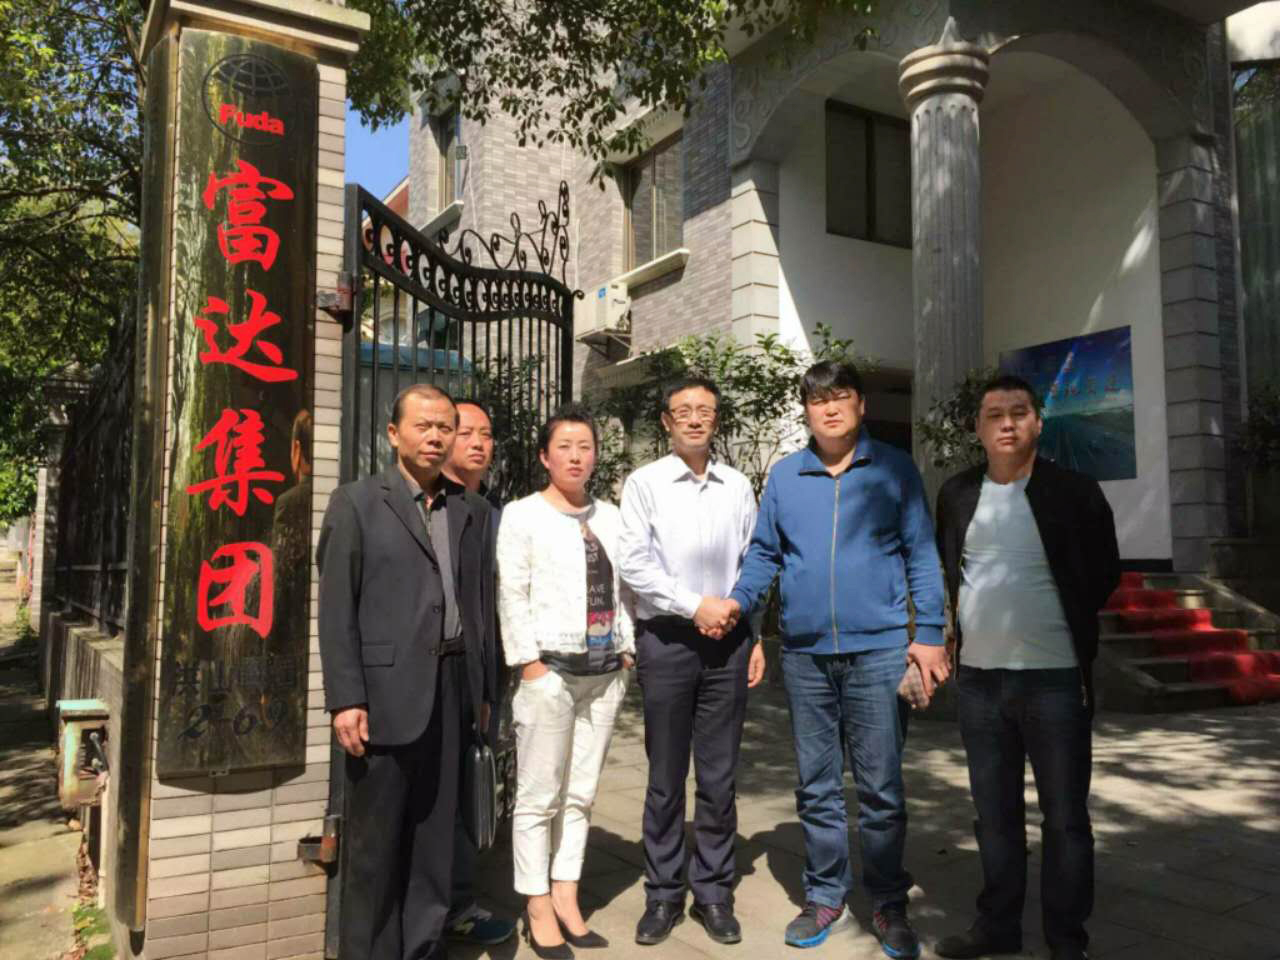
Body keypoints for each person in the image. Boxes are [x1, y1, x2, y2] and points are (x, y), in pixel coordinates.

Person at [727, 360, 948, 958]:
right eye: (818, 399)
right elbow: (764, 555)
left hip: (879, 652)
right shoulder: (786, 477)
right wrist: (741, 605)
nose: (829, 408)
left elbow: (921, 554)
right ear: (806, 410)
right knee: (817, 786)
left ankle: (887, 900)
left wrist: (930, 632)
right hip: (805, 657)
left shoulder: (894, 469)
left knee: (881, 788)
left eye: (841, 396)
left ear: (860, 406)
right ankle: (824, 894)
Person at [933, 375, 1120, 960]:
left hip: (1055, 680)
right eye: (994, 414)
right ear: (978, 428)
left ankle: (1066, 940)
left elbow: (1103, 573)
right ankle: (998, 926)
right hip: (980, 683)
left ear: (1039, 422)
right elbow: (950, 568)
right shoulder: (957, 493)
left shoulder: (1075, 492)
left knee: (1065, 820)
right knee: (994, 817)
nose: (1007, 423)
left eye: (1019, 412)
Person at [317, 384, 496, 960]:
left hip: (453, 689)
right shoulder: (357, 503)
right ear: (394, 434)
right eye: (424, 426)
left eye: (446, 426)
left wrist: (482, 689)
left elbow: (480, 607)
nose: (436, 437)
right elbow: (336, 607)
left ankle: (422, 948)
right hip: (382, 696)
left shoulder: (471, 510)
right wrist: (346, 697)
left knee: (434, 839)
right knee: (375, 847)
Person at [618, 376, 766, 947]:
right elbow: (634, 564)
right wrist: (693, 605)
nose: (696, 418)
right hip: (668, 642)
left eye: (705, 410)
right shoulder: (645, 483)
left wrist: (750, 631)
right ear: (666, 421)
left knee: (719, 776)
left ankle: (713, 892)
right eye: (684, 411)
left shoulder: (737, 486)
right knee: (664, 776)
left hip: (729, 641)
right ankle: (662, 893)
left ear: (716, 419)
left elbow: (754, 560)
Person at [497, 404, 636, 959]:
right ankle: (535, 903)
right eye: (565, 447)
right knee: (539, 796)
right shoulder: (522, 515)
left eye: (585, 447)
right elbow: (511, 592)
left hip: (604, 674)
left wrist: (626, 647)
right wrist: (529, 664)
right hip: (550, 671)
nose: (576, 457)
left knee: (581, 793)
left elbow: (626, 589)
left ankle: (566, 893)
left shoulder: (613, 516)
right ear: (544, 456)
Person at [439, 399, 517, 948]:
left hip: (481, 676)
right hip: (429, 673)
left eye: (485, 434)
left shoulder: (493, 512)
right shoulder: (425, 506)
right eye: (465, 432)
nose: (477, 443)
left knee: (472, 786)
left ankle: (459, 904)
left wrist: (494, 683)